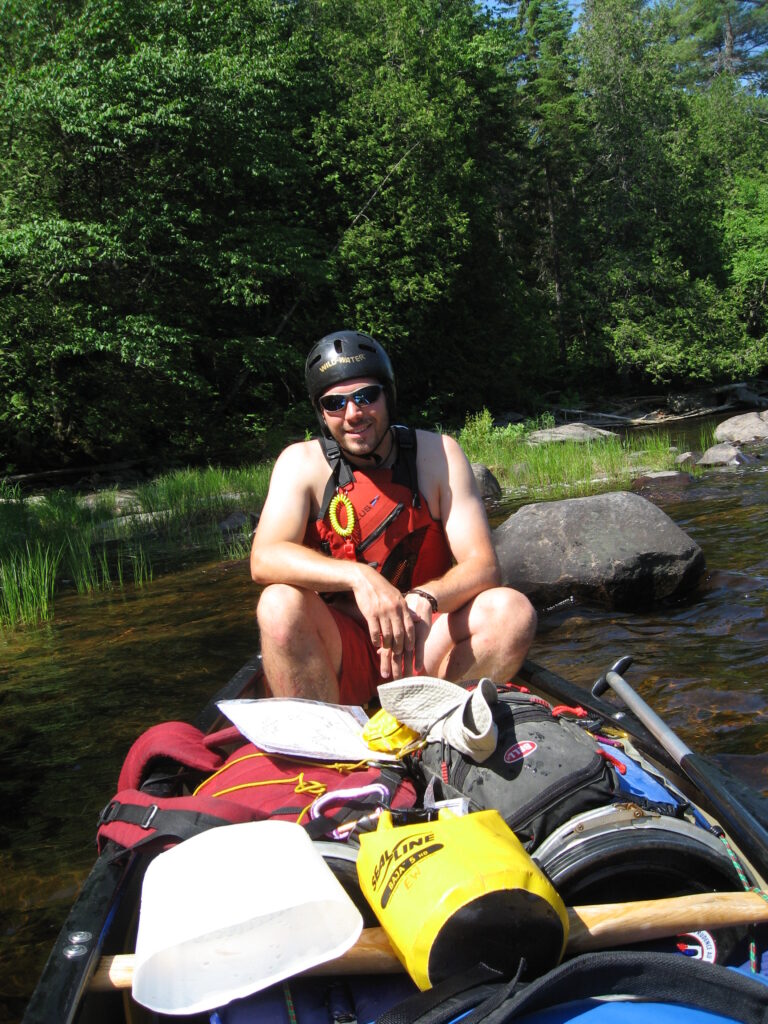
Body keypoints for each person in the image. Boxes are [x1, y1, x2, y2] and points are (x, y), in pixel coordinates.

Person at [250, 329, 536, 704]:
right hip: (343, 644)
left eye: (366, 396)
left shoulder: (438, 455)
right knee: (277, 604)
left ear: (389, 395)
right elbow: (264, 558)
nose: (353, 414)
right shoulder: (300, 464)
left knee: (512, 612)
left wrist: (426, 597)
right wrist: (359, 576)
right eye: (335, 403)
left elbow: (483, 565)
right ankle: (333, 745)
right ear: (322, 413)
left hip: (422, 639)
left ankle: (438, 722)